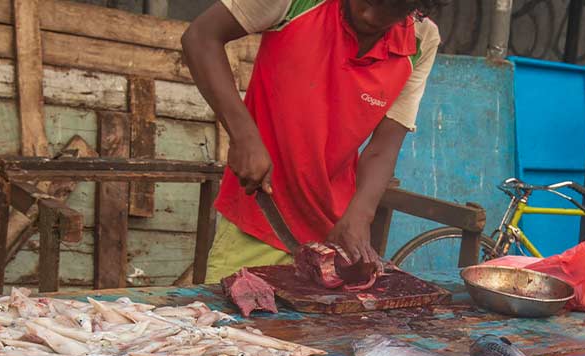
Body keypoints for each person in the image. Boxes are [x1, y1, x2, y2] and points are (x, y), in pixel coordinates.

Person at [182, 0, 443, 281]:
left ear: (415, 8)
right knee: (231, 322)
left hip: (334, 234)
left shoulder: (421, 38)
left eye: (388, 9)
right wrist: (244, 136)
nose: (368, 14)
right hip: (259, 221)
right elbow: (200, 38)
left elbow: (384, 146)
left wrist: (360, 216)